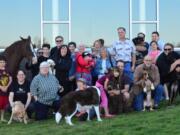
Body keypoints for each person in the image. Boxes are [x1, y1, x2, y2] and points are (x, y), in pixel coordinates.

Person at [0, 55, 12, 122]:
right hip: (0, 90)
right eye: (1, 62)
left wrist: (6, 87)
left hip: (6, 91)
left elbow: (10, 79)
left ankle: (2, 118)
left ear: (5, 63)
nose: (2, 63)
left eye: (3, 62)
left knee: (3, 105)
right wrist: (1, 87)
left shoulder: (8, 70)